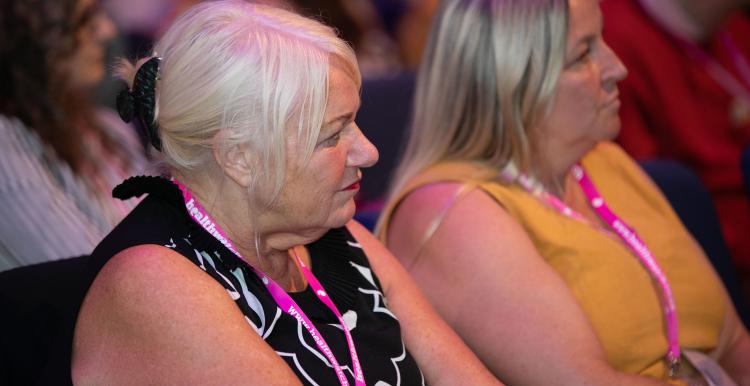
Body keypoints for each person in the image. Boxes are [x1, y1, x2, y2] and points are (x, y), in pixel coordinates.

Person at [71, 2, 499, 385]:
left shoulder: (335, 237)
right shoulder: (154, 284)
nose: (369, 152)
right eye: (333, 135)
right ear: (239, 158)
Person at [378, 0, 750, 385]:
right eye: (583, 53)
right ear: (510, 80)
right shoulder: (451, 212)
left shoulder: (603, 161)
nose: (616, 68)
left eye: (601, 40)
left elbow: (736, 343)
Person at [600, 0, 750, 292]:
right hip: (708, 259)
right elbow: (649, 197)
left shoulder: (733, 27)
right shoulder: (619, 36)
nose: (613, 69)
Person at [0, 0, 148, 270]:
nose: (107, 31)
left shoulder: (109, 127)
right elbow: (85, 271)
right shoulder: (6, 146)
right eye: (85, 21)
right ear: (35, 37)